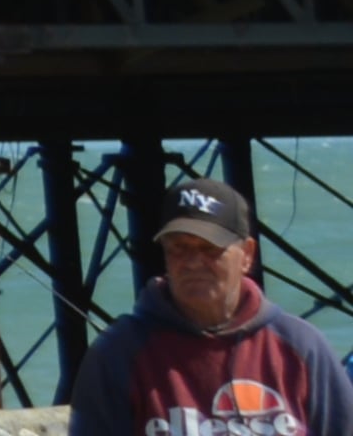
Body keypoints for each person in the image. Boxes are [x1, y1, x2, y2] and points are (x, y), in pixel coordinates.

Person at [63, 175, 353, 436]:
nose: (192, 262)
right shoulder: (119, 353)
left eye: (209, 249)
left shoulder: (302, 348)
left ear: (247, 254)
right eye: (179, 248)